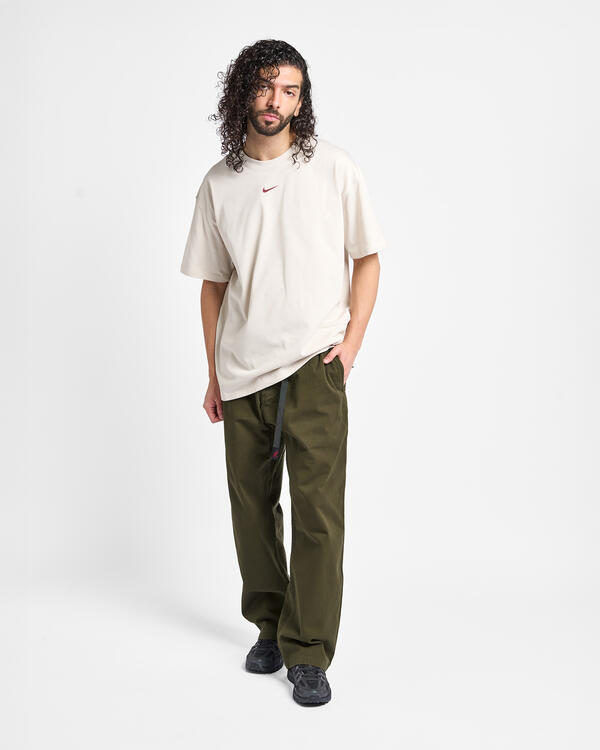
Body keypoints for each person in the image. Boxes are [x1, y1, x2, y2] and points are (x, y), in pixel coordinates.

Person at [180, 39, 386, 707]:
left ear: (303, 100)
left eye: (290, 90)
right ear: (243, 90)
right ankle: (268, 626)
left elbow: (367, 258)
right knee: (251, 508)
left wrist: (350, 345)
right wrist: (214, 373)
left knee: (319, 514)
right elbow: (213, 286)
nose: (276, 101)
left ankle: (309, 650)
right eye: (266, 86)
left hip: (314, 365)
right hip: (242, 370)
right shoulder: (219, 183)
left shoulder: (333, 168)